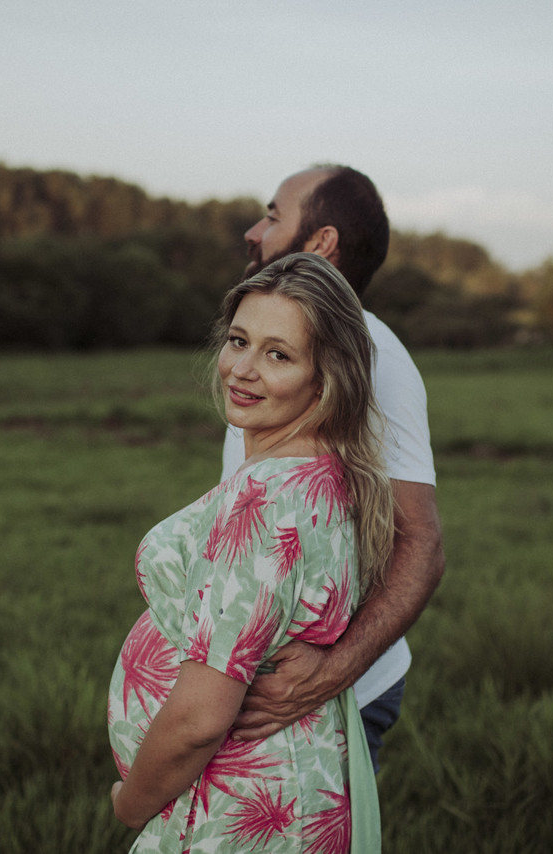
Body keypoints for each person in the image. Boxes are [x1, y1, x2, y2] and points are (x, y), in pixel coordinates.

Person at [109, 253, 392, 851]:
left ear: (326, 377)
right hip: (298, 791)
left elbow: (199, 720)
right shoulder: (324, 475)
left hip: (233, 811)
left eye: (278, 354)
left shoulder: (262, 502)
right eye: (238, 341)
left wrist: (132, 801)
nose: (242, 369)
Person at [226, 165, 445, 772]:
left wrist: (327, 676)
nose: (254, 232)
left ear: (320, 242)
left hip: (334, 700)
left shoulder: (373, 355)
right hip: (265, 694)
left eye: (272, 216)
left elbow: (421, 546)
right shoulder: (270, 355)